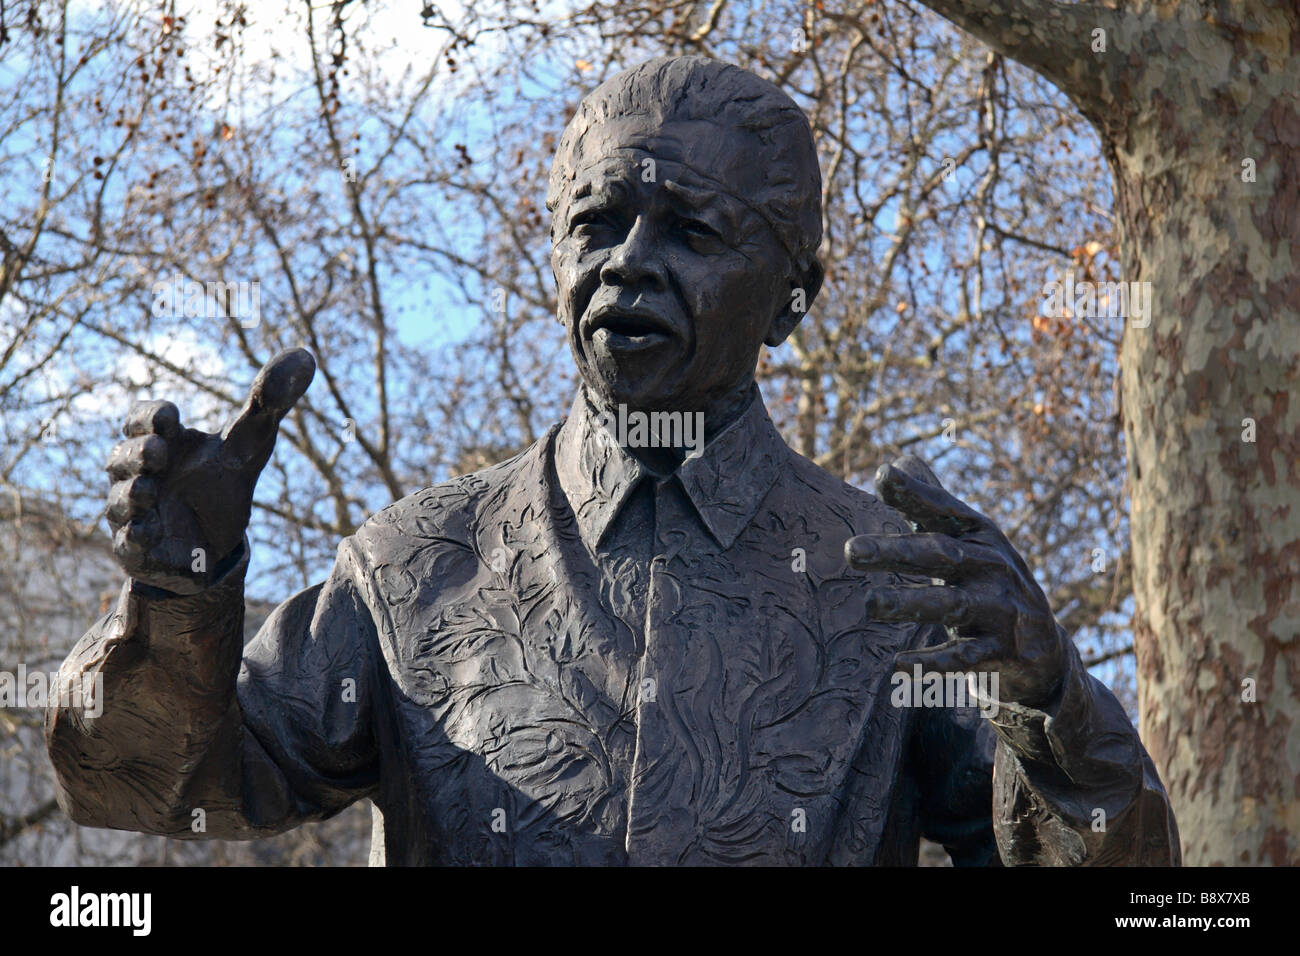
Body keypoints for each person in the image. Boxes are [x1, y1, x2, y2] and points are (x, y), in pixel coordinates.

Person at [47, 55, 1179, 866]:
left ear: (790, 301)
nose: (629, 264)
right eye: (598, 223)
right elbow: (151, 786)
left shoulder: (892, 587)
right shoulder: (412, 566)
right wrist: (181, 593)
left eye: (691, 231)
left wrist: (1053, 708)